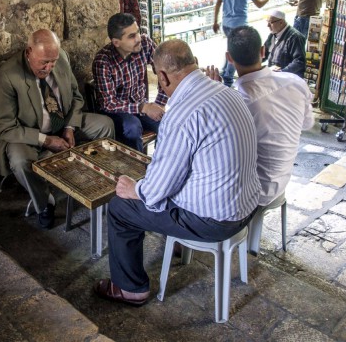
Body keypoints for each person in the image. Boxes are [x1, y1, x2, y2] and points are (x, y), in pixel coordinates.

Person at [93, 39, 261, 306]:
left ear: (162, 76)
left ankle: (130, 288)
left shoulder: (182, 114)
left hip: (216, 221)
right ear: (192, 62)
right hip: (249, 205)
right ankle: (181, 243)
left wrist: (133, 188)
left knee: (120, 208)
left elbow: (156, 191)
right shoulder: (227, 91)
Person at [0, 29, 114, 230]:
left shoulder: (61, 58)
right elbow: (5, 127)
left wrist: (70, 127)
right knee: (21, 161)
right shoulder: (7, 76)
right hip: (28, 133)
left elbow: (76, 97)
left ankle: (99, 187)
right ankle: (44, 203)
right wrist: (46, 141)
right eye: (44, 62)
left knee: (105, 126)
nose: (49, 67)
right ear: (29, 52)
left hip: (62, 121)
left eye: (53, 61)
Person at [228, 26, 313, 254]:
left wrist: (215, 94)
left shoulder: (237, 100)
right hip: (283, 179)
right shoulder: (295, 82)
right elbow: (307, 124)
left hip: (253, 191)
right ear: (263, 51)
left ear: (229, 59)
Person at [92, 13, 168, 151]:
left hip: (140, 104)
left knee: (168, 122)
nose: (138, 38)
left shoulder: (145, 43)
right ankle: (138, 170)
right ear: (116, 42)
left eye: (138, 32)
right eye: (132, 36)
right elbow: (109, 103)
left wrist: (159, 103)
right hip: (116, 111)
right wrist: (143, 107)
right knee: (133, 127)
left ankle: (160, 167)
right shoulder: (103, 61)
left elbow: (164, 72)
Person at [213, 0, 281, 87]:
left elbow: (218, 3)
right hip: (239, 25)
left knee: (230, 48)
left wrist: (215, 21)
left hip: (226, 24)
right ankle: (227, 80)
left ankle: (224, 72)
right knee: (237, 53)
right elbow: (259, 4)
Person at [263, 9, 306, 78]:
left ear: (281, 22)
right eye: (267, 22)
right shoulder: (273, 34)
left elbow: (299, 61)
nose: (268, 25)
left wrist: (282, 72)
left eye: (270, 22)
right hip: (273, 75)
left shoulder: (295, 37)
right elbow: (264, 53)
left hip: (287, 78)